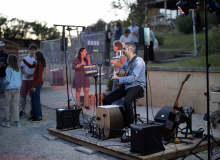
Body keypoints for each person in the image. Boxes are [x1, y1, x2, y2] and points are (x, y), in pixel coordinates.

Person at [102, 42, 146, 127]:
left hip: (138, 86)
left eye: (124, 49)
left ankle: (130, 126)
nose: (123, 50)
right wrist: (116, 74)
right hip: (127, 85)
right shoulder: (128, 61)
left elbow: (133, 78)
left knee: (127, 101)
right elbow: (122, 68)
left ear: (130, 49)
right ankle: (115, 120)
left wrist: (118, 78)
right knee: (106, 100)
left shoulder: (139, 61)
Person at [20, 50, 46, 122]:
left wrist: (35, 86)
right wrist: (23, 60)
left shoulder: (40, 64)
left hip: (38, 83)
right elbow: (30, 65)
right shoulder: (37, 63)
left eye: (35, 55)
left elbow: (39, 76)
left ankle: (38, 116)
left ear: (37, 56)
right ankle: (34, 115)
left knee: (36, 100)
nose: (34, 56)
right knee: (33, 99)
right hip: (35, 83)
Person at [2, 55, 21, 127]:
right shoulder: (18, 69)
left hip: (10, 89)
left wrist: (4, 81)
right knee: (16, 105)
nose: (7, 60)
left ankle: (7, 121)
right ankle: (17, 122)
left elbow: (8, 80)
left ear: (9, 60)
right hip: (17, 88)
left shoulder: (8, 69)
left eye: (7, 59)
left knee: (7, 105)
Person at [19, 44, 37, 118]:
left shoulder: (36, 60)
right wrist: (25, 74)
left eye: (34, 50)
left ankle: (31, 110)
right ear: (29, 50)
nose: (33, 51)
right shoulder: (25, 58)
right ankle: (22, 110)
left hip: (32, 80)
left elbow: (37, 70)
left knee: (32, 96)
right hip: (25, 79)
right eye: (32, 50)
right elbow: (21, 68)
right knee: (23, 95)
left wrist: (31, 75)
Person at [110, 41, 127, 106]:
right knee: (114, 94)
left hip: (120, 77)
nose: (113, 47)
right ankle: (115, 109)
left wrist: (115, 63)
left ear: (118, 46)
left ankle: (122, 109)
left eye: (114, 46)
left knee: (120, 94)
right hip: (115, 76)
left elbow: (124, 66)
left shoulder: (122, 55)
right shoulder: (117, 54)